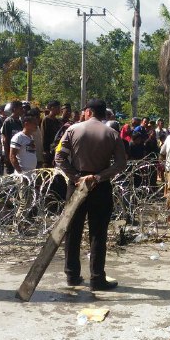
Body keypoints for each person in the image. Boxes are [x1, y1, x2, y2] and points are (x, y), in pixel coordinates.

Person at [55, 99, 127, 291]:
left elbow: (59, 157)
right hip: (100, 186)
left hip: (76, 185)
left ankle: (72, 275)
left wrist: (76, 177)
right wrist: (98, 177)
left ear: (88, 112)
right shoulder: (112, 134)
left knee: (73, 231)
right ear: (104, 114)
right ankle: (97, 278)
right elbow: (121, 164)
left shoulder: (72, 130)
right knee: (98, 233)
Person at [0, 100, 24, 174]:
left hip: (19, 154)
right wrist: (7, 156)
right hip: (11, 153)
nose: (22, 110)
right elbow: (5, 139)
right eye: (20, 108)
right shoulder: (8, 122)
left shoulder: (20, 122)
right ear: (14, 109)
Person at [40, 101, 62, 167]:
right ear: (52, 108)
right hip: (48, 150)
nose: (59, 110)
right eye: (58, 108)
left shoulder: (57, 121)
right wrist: (45, 150)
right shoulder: (46, 119)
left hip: (56, 149)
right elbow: (44, 136)